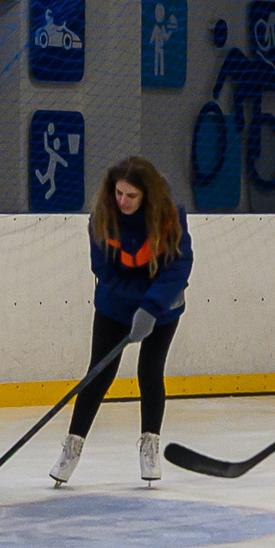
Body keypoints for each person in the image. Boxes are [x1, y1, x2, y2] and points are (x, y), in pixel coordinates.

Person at [54, 157, 193, 487]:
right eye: (118, 193)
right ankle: (72, 446)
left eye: (131, 196)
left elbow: (179, 266)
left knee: (150, 371)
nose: (123, 201)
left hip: (162, 308)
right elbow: (103, 270)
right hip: (115, 307)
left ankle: (150, 445)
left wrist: (151, 307)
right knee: (98, 374)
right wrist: (135, 305)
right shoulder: (103, 218)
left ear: (147, 195)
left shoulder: (169, 217)